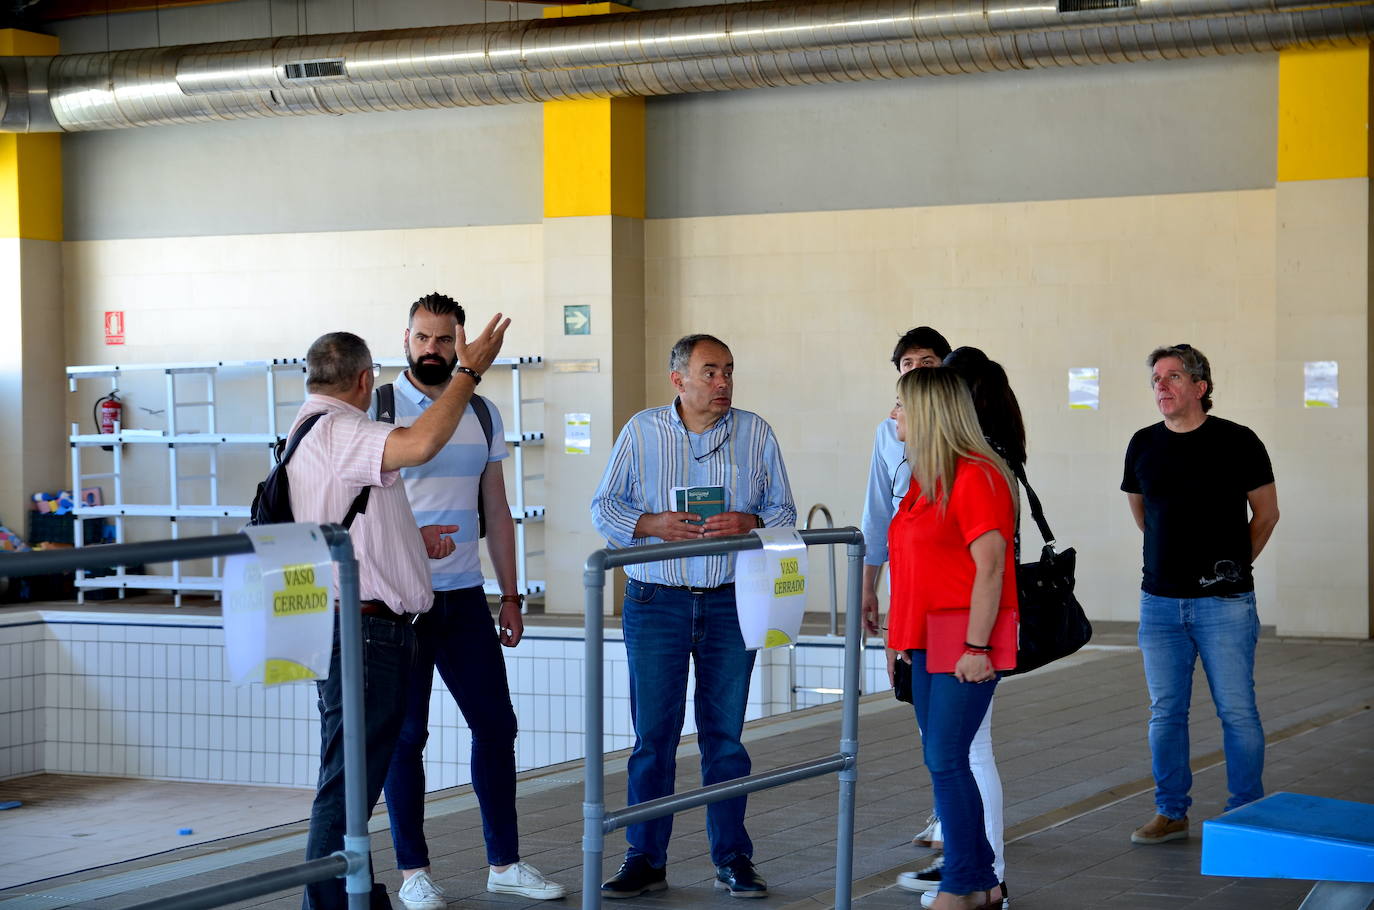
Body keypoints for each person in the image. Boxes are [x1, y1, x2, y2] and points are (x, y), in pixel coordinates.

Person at [290, 316, 510, 910]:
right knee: (349, 782)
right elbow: (421, 445)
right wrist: (469, 371)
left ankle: (341, 895)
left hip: (359, 620)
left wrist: (416, 542)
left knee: (352, 776)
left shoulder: (308, 429)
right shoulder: (346, 429)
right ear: (366, 381)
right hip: (364, 631)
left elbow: (361, 525)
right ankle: (331, 901)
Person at [590, 334, 796, 900]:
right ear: (677, 379)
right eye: (710, 372)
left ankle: (733, 859)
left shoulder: (756, 432)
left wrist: (749, 521)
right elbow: (603, 505)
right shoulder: (641, 431)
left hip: (731, 601)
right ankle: (644, 859)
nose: (723, 382)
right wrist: (650, 524)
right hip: (657, 602)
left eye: (728, 371)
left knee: (724, 739)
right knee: (653, 738)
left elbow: (785, 511)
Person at [376, 294, 565, 909]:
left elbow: (497, 511)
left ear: (461, 345)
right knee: (407, 737)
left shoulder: (481, 413)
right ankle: (413, 872)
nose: (432, 350)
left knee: (496, 726)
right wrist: (410, 538)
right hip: (398, 602)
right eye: (422, 339)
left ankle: (503, 863)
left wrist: (511, 594)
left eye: (444, 341)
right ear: (405, 340)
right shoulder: (378, 408)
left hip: (463, 599)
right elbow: (359, 505)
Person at [1121, 343, 1279, 845]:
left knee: (1237, 710)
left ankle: (1246, 813)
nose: (1161, 387)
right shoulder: (1143, 444)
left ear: (1199, 387)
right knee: (1165, 712)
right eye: (1156, 380)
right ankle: (1171, 812)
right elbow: (1142, 513)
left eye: (1171, 377)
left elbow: (1267, 514)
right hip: (1160, 602)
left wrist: (1233, 569)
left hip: (1225, 605)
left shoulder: (1238, 441)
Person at [887, 367, 1018, 910]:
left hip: (962, 638)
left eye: (900, 405)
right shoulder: (924, 479)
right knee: (943, 758)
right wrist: (899, 638)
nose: (893, 414)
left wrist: (977, 648)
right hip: (924, 639)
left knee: (947, 758)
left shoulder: (977, 476)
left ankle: (963, 885)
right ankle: (982, 882)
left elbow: (990, 568)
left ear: (929, 413)